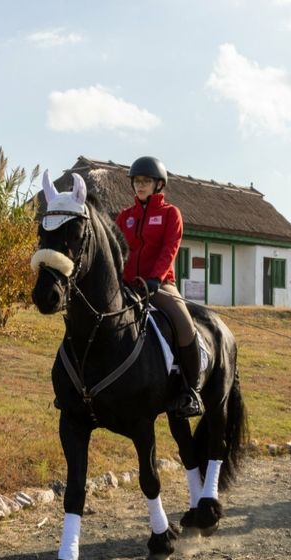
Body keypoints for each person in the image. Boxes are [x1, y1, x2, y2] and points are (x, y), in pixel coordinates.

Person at [115, 156, 203, 418]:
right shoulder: (125, 217)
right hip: (128, 286)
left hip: (160, 285)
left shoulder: (169, 214)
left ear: (158, 185)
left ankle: (192, 390)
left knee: (184, 324)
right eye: (137, 181)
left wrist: (155, 278)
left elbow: (170, 248)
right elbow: (117, 250)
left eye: (146, 181)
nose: (140, 186)